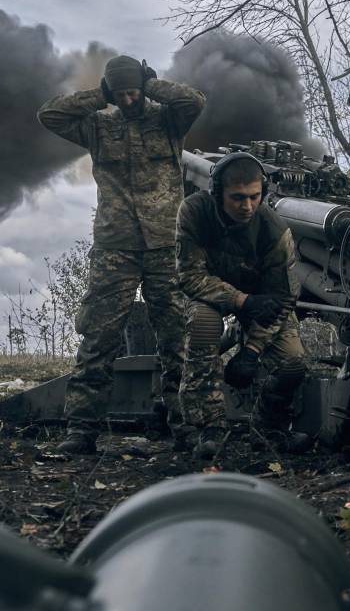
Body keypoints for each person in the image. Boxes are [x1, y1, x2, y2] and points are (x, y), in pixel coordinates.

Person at [38, 55, 205, 454]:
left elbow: (193, 101)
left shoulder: (169, 121)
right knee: (99, 337)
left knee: (178, 338)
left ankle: (186, 428)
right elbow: (49, 115)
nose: (128, 100)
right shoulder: (98, 126)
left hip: (166, 246)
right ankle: (82, 430)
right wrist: (100, 96)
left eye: (133, 92)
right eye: (122, 93)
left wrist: (151, 85)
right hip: (116, 247)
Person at [175, 152, 310, 459]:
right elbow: (190, 276)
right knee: (203, 325)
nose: (247, 206)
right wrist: (240, 301)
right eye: (237, 197)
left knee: (292, 361)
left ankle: (268, 428)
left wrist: (252, 351)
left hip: (262, 301)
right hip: (210, 295)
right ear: (217, 192)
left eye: (254, 197)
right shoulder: (194, 212)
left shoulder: (274, 230)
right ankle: (208, 426)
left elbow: (283, 297)